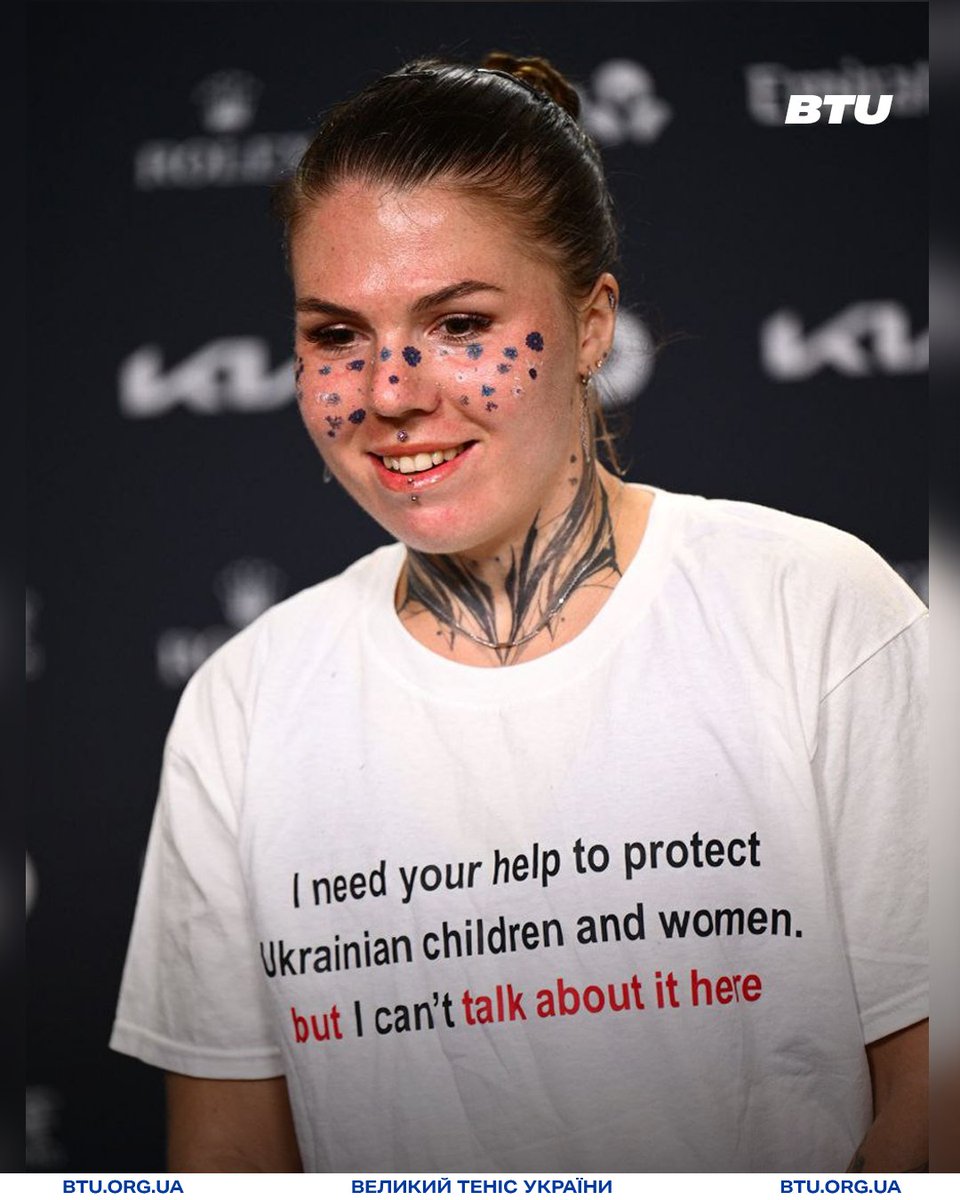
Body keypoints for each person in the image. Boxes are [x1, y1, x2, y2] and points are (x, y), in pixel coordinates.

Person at [110, 53, 928, 1173]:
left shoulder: (817, 614)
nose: (389, 392)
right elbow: (230, 1172)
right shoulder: (243, 706)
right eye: (337, 336)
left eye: (458, 323)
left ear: (592, 326)